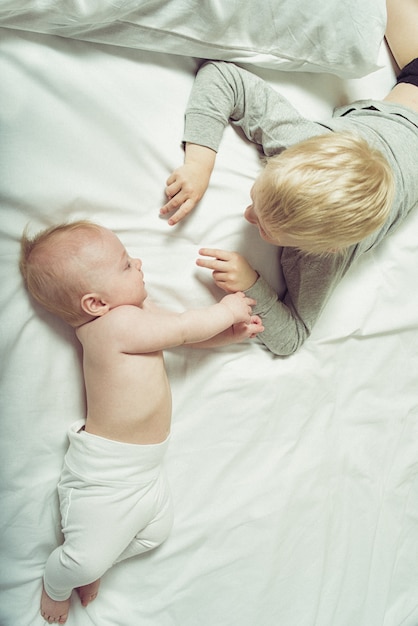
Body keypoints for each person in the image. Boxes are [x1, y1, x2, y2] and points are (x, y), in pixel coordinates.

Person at [19, 220, 262, 624]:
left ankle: (98, 561)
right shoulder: (113, 326)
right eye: (125, 265)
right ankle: (59, 581)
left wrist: (228, 335)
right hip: (108, 476)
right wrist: (225, 310)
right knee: (81, 560)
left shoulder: (134, 316)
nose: (139, 262)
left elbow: (181, 334)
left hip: (145, 471)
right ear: (95, 304)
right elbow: (184, 328)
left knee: (155, 533)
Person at [160, 0, 418, 356]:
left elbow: (291, 338)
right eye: (257, 200)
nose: (248, 216)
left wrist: (252, 285)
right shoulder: (298, 142)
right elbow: (224, 76)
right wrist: (199, 163)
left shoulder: (323, 259)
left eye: (265, 228)